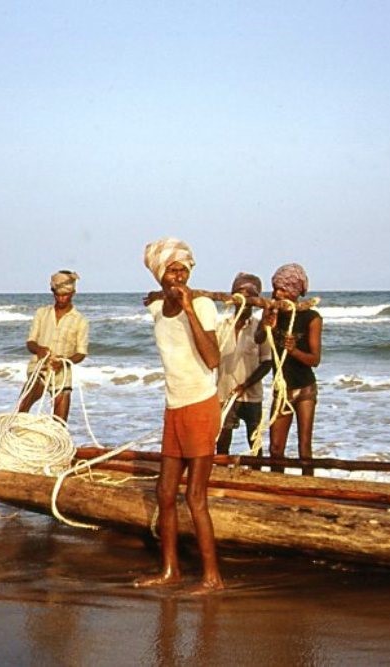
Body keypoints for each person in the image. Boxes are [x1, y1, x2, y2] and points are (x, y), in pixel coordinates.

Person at [135, 237, 224, 593]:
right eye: (171, 270)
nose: (178, 275)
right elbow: (157, 299)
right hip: (173, 406)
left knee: (195, 497)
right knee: (165, 492)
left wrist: (188, 309)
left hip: (201, 404)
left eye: (183, 269)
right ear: (159, 274)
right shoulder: (156, 309)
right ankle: (171, 571)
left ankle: (213, 578)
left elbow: (213, 359)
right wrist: (164, 298)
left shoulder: (202, 305)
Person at [256, 263, 322, 475]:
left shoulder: (312, 318)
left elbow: (314, 360)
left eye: (282, 289)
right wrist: (264, 322)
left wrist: (293, 351)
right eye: (275, 288)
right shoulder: (274, 312)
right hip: (282, 389)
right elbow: (258, 339)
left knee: (304, 447)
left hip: (305, 389)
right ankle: (279, 491)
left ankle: (306, 493)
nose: (277, 293)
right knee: (276, 448)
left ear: (294, 291)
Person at [16, 270, 90, 423]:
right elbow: (30, 342)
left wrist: (64, 362)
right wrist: (39, 349)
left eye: (65, 295)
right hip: (39, 368)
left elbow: (81, 353)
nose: (61, 298)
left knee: (60, 422)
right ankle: (13, 437)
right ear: (53, 293)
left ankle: (57, 444)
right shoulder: (41, 314)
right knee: (21, 410)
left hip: (62, 373)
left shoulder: (80, 320)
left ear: (73, 293)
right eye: (58, 295)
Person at [215, 272, 272, 455]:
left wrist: (245, 385)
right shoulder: (221, 325)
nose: (244, 299)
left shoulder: (260, 328)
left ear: (256, 299)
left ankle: (257, 477)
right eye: (240, 294)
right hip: (224, 394)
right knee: (222, 442)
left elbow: (266, 363)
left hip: (251, 396)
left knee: (254, 442)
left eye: (250, 295)